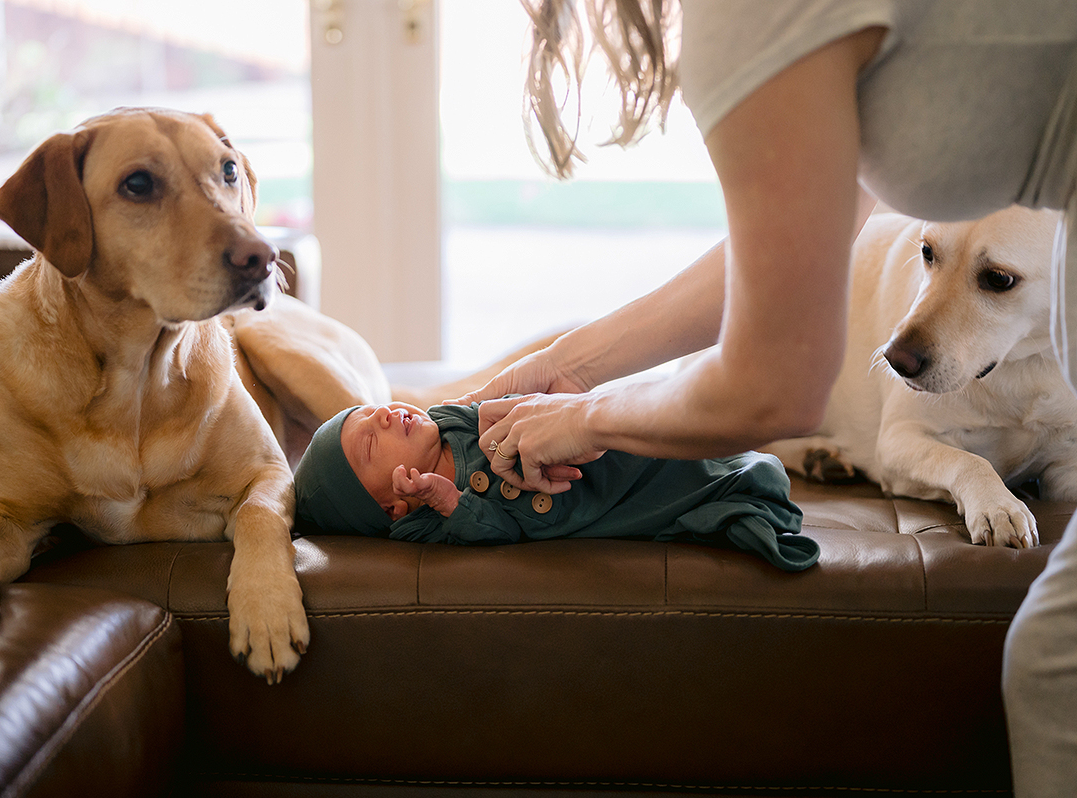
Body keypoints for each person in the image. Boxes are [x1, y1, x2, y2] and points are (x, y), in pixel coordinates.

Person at [452, 2, 1077, 795]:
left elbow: (772, 383)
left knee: (1056, 667)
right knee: (1056, 666)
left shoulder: (759, 15)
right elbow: (788, 254)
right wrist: (569, 368)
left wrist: (585, 419)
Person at [293, 401, 819, 572]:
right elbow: (497, 531)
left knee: (657, 439)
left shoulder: (449, 420)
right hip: (599, 502)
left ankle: (719, 445)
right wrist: (448, 500)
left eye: (373, 410)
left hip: (594, 454)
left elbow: (507, 402)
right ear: (391, 507)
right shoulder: (431, 517)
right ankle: (734, 486)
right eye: (370, 442)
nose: (386, 415)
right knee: (682, 486)